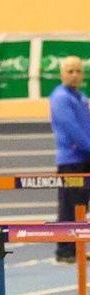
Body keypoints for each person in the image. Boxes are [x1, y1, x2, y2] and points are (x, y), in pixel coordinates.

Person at [50, 56, 90, 263]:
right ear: (62, 74)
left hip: (85, 158)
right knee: (69, 204)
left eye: (78, 71)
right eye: (70, 71)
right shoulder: (60, 98)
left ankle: (77, 247)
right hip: (71, 160)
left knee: (82, 205)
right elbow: (72, 129)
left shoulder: (80, 97)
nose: (75, 75)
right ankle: (64, 249)